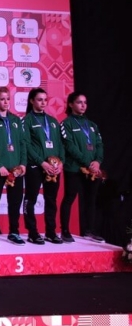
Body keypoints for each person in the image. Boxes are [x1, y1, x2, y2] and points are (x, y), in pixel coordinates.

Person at [0, 87, 27, 246]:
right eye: (2, 99)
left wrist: (23, 164)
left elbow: (22, 143)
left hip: (16, 169)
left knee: (15, 202)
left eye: (8, 98)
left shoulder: (16, 120)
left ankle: (14, 232)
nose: (6, 102)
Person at [60, 92, 105, 243]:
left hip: (92, 169)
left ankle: (89, 230)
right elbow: (70, 146)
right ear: (71, 104)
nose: (83, 105)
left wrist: (97, 161)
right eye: (79, 102)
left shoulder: (92, 125)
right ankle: (65, 231)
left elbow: (99, 144)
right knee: (69, 198)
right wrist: (88, 163)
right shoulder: (66, 124)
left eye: (85, 102)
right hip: (74, 168)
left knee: (91, 199)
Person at [23, 88, 65, 244]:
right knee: (31, 199)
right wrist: (42, 162)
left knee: (51, 200)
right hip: (35, 166)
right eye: (39, 99)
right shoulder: (27, 120)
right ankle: (32, 232)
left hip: (53, 167)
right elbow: (26, 145)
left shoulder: (53, 121)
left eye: (45, 100)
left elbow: (60, 144)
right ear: (31, 101)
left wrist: (61, 162)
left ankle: (51, 232)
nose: (43, 102)